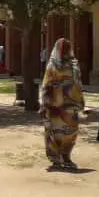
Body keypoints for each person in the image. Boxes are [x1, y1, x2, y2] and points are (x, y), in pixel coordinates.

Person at [40, 38, 85, 170]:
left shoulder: (74, 64)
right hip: (55, 106)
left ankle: (66, 157)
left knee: (70, 132)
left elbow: (78, 84)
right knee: (55, 132)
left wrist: (80, 101)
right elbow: (46, 85)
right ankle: (56, 159)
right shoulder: (52, 65)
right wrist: (44, 102)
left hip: (70, 105)